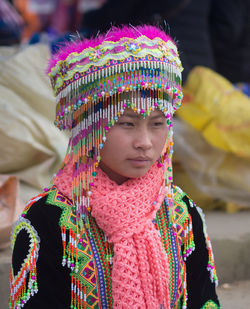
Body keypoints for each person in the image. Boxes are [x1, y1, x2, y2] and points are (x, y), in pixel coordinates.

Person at [10, 25, 220, 309]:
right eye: (126, 123)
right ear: (87, 128)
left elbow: (204, 300)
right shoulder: (47, 220)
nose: (144, 142)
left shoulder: (180, 212)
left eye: (157, 123)